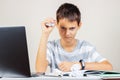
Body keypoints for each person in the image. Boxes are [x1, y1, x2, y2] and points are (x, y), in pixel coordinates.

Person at [36, 3, 113, 73]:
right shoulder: (51, 47)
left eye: (72, 28)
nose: (67, 33)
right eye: (63, 28)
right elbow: (39, 70)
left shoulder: (86, 47)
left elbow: (109, 67)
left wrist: (80, 65)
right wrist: (45, 34)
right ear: (56, 24)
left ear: (79, 25)